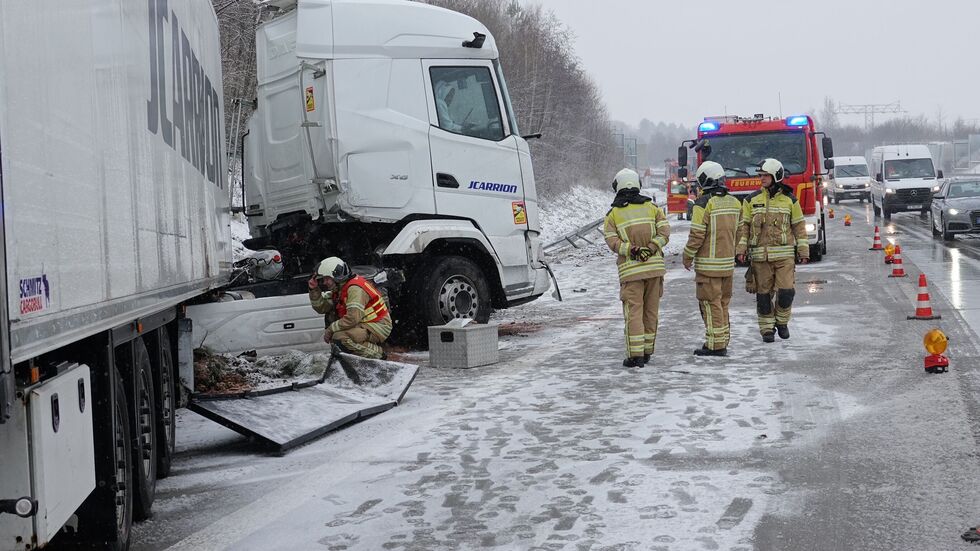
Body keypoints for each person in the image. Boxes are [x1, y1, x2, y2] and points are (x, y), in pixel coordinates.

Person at [735, 158, 809, 343]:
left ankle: (782, 322)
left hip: (784, 257)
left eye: (765, 175)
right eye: (760, 175)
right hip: (760, 258)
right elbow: (744, 227)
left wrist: (803, 251)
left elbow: (799, 227)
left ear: (776, 176)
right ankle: (767, 329)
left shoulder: (790, 200)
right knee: (763, 296)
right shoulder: (751, 200)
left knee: (786, 292)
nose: (761, 178)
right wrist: (741, 249)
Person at [603, 168, 670, 367]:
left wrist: (632, 250)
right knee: (651, 311)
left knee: (634, 312)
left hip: (631, 273)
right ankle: (647, 351)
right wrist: (651, 248)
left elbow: (612, 241)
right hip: (654, 270)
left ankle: (635, 355)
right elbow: (665, 232)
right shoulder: (652, 207)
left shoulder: (613, 214)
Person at [682, 161, 742, 356]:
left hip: (708, 267)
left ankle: (716, 346)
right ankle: (722, 340)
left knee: (710, 304)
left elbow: (697, 235)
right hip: (727, 266)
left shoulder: (702, 204)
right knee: (723, 304)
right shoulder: (735, 203)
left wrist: (687, 256)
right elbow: (741, 232)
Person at [308, 257, 392, 359]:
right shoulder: (339, 288)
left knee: (340, 338)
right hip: (365, 323)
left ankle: (380, 355)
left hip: (378, 325)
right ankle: (357, 359)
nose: (324, 282)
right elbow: (322, 308)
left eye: (327, 278)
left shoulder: (355, 289)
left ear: (336, 276)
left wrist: (330, 329)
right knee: (337, 335)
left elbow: (352, 318)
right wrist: (313, 289)